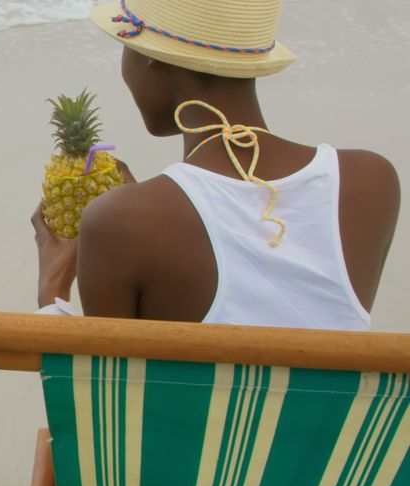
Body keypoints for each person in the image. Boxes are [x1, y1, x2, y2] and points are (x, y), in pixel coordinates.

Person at [33, 0, 400, 329]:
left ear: (151, 58)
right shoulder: (372, 181)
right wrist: (142, 210)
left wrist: (54, 282)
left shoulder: (120, 222)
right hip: (330, 409)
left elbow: (100, 398)